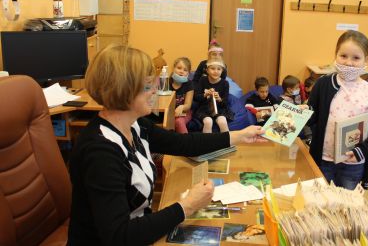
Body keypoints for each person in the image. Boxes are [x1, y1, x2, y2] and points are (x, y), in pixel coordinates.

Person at [67, 44, 265, 245]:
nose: (155, 89)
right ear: (123, 90)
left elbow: (182, 143)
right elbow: (120, 236)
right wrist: (187, 206)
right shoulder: (100, 152)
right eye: (147, 85)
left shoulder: (135, 125)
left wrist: (238, 136)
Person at [307, 30, 368, 190]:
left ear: (366, 60)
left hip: (353, 164)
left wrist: (364, 150)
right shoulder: (323, 84)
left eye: (356, 58)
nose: (348, 63)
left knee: (347, 204)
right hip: (324, 159)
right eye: (343, 56)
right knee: (321, 201)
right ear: (335, 54)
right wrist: (301, 112)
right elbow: (313, 116)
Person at [193, 59, 234, 133]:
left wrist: (219, 99)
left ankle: (227, 142)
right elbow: (196, 97)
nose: (216, 71)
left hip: (219, 109)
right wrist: (205, 94)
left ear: (222, 71)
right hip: (204, 109)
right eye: (212, 68)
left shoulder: (225, 83)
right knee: (208, 122)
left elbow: (225, 102)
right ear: (207, 70)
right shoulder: (203, 80)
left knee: (222, 121)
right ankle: (208, 143)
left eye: (219, 69)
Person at [170, 57, 194, 133]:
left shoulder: (189, 84)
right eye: (179, 68)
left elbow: (188, 105)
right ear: (173, 68)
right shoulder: (166, 82)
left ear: (188, 73)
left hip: (184, 112)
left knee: (179, 122)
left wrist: (182, 107)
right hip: (168, 112)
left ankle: (187, 144)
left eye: (185, 70)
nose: (181, 71)